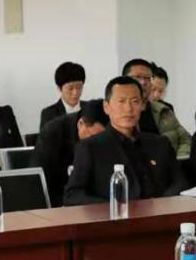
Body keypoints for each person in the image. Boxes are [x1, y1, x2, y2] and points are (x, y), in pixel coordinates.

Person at [63, 77, 187, 205]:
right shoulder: (90, 147)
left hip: (162, 213)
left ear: (142, 105)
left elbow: (180, 182)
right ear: (106, 107)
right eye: (121, 101)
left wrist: (162, 204)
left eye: (135, 101)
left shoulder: (160, 143)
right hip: (116, 215)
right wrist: (116, 207)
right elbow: (72, 195)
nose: (128, 109)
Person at [32, 100, 106, 208]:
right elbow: (38, 182)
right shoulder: (53, 133)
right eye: (94, 137)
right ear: (81, 124)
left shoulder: (113, 134)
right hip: (57, 201)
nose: (97, 143)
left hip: (92, 202)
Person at [123, 58, 192, 159]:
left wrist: (176, 160)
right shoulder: (115, 113)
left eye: (148, 78)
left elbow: (185, 139)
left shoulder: (164, 110)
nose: (143, 82)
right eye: (137, 77)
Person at [40, 61, 85, 129]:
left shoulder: (91, 108)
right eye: (70, 88)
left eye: (79, 87)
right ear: (59, 88)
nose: (75, 93)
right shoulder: (49, 114)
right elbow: (46, 136)